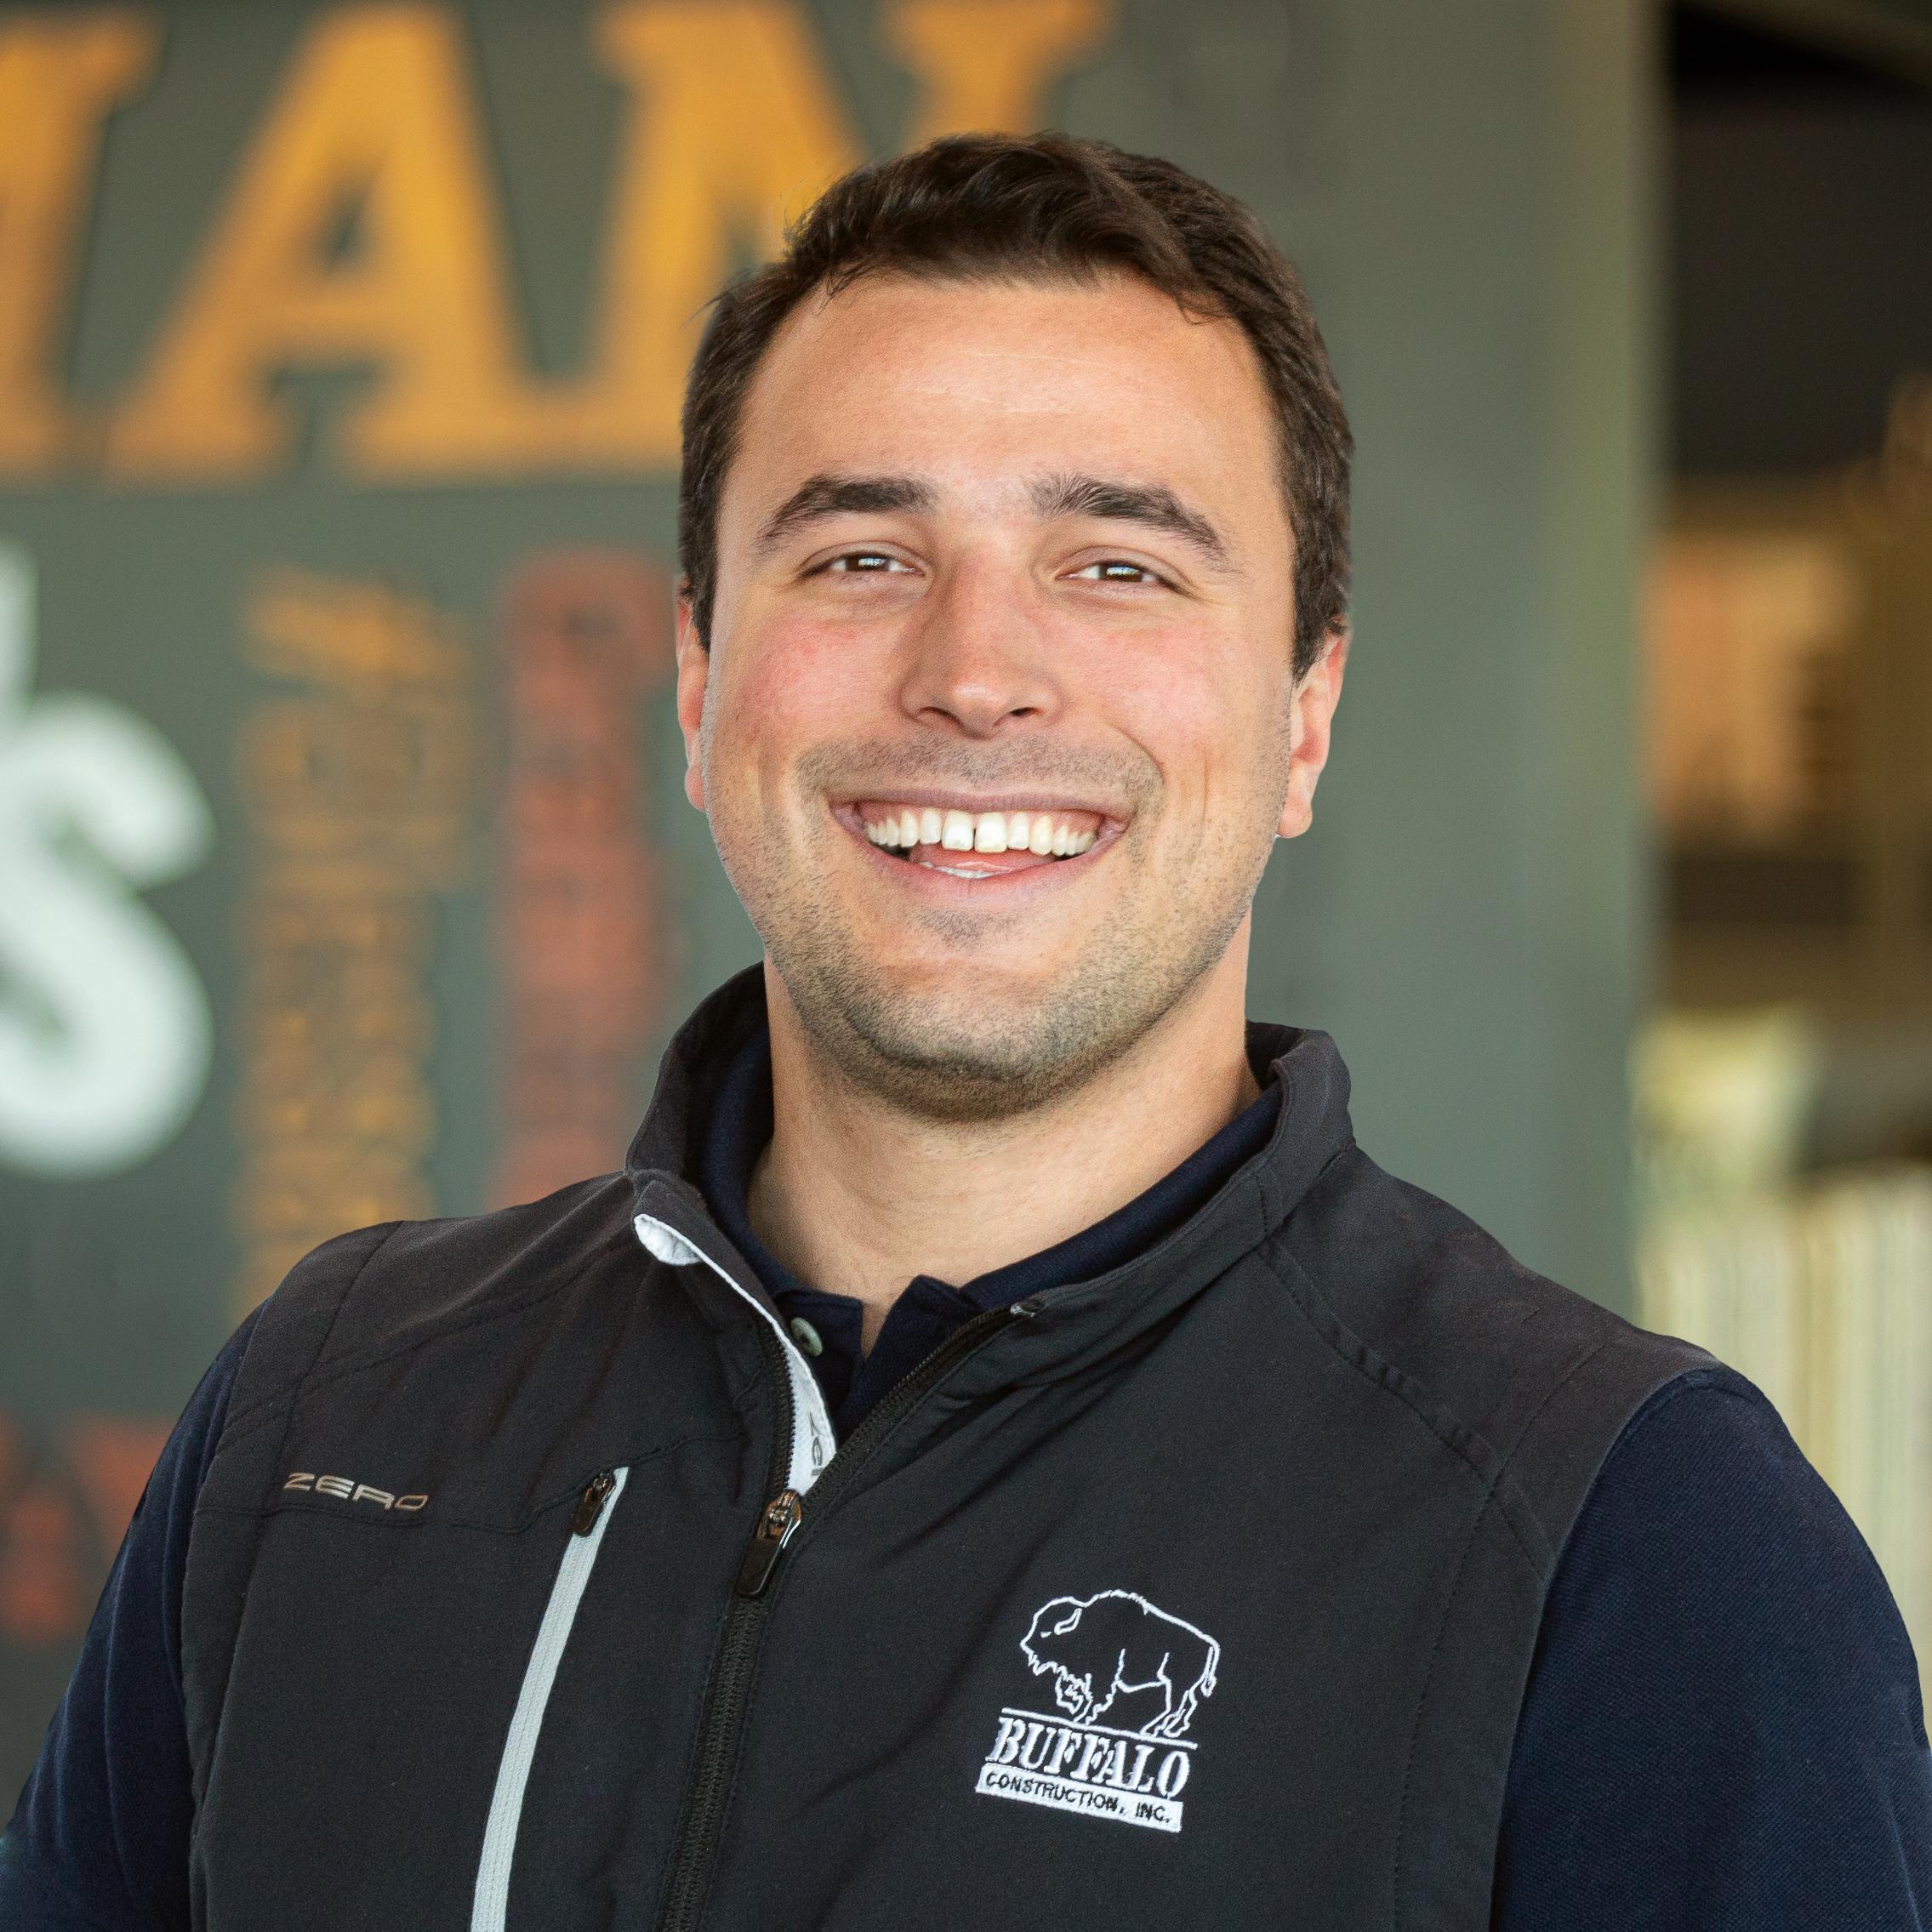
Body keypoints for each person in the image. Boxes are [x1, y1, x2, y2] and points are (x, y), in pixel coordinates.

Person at [3, 131, 1929, 1932]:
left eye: (1116, 563)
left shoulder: (1637, 1541)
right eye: (858, 555)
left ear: (1304, 717)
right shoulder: (330, 1403)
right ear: (694, 678)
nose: (976, 672)